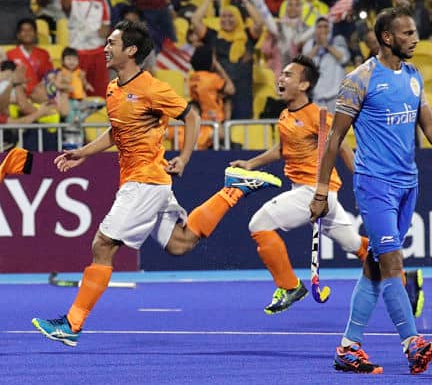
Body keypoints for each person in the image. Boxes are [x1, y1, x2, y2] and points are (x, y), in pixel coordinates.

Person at [31, 21, 281, 347]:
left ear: (131, 50)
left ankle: (72, 323)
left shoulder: (152, 88)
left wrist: (186, 157)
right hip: (146, 182)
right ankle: (234, 189)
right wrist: (83, 153)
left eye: (112, 43)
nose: (105, 48)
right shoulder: (113, 88)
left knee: (103, 246)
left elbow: (191, 116)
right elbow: (116, 131)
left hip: (145, 181)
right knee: (179, 243)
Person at [309, 6, 432, 374]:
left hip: (407, 184)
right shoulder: (360, 78)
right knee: (392, 263)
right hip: (374, 185)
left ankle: (348, 348)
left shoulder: (414, 75)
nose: (415, 39)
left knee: (375, 267)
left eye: (415, 32)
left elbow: (429, 126)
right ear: (387, 38)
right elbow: (334, 138)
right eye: (407, 33)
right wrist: (321, 191)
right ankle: (412, 344)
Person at [229, 55, 423, 316]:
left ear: (304, 85)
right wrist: (252, 163)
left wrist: (363, 185)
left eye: (288, 75)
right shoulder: (285, 115)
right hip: (308, 192)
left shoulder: (319, 116)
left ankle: (289, 286)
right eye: (282, 74)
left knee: (258, 224)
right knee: (358, 246)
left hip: (314, 192)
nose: (280, 78)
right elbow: (283, 149)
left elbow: (341, 147)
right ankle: (406, 281)